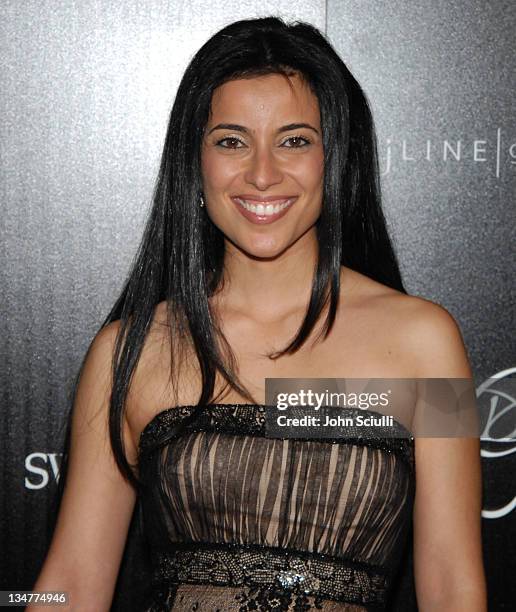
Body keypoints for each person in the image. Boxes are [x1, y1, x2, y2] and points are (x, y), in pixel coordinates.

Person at [30, 16, 486, 612]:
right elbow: (71, 582)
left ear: (335, 158)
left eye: (294, 140)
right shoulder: (131, 350)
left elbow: (453, 584)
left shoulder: (425, 342)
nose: (263, 173)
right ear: (194, 163)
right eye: (231, 141)